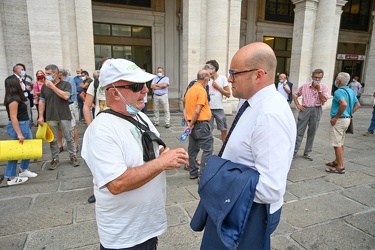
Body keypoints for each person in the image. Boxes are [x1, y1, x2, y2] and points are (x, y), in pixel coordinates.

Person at [193, 42, 296, 249]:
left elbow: (270, 189)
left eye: (234, 73)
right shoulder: (250, 102)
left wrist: (219, 180)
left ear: (258, 75)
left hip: (249, 212)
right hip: (236, 204)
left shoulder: (270, 115)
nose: (229, 79)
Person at [81, 58, 188, 249]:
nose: (146, 90)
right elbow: (117, 183)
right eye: (137, 86)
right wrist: (162, 163)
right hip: (125, 237)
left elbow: (154, 146)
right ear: (114, 93)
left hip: (148, 227)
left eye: (146, 84)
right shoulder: (101, 130)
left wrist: (167, 153)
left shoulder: (140, 115)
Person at [37, 64, 79, 170]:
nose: (46, 76)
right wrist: (41, 116)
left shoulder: (66, 84)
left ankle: (73, 156)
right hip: (50, 116)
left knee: (69, 137)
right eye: (46, 73)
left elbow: (66, 96)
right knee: (53, 140)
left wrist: (52, 87)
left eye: (49, 74)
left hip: (64, 115)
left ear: (56, 74)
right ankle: (55, 158)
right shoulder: (44, 87)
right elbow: (42, 101)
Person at [3, 75, 38, 186]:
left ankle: (23, 169)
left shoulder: (17, 97)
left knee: (28, 148)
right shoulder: (13, 99)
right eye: (19, 82)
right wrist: (19, 133)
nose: (21, 83)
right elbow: (13, 117)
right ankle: (10, 177)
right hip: (19, 125)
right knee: (15, 152)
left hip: (24, 124)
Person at [326, 72, 360, 174]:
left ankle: (340, 167)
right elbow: (357, 104)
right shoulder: (350, 91)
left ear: (338, 81)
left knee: (337, 144)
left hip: (340, 120)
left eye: (336, 79)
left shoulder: (338, 92)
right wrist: (349, 114)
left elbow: (343, 104)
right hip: (347, 119)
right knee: (340, 142)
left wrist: (336, 117)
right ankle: (337, 161)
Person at [293, 68, 329, 161]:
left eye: (319, 78)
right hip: (305, 109)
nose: (317, 80)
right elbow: (295, 94)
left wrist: (319, 90)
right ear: (312, 76)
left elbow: (324, 100)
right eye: (315, 77)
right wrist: (297, 104)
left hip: (317, 109)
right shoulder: (305, 86)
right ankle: (293, 152)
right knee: (299, 131)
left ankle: (307, 152)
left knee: (312, 132)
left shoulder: (324, 87)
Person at [184, 69, 213, 180]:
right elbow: (197, 110)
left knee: (192, 150)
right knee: (207, 149)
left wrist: (189, 123)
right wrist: (191, 124)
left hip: (192, 124)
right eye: (209, 77)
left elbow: (186, 108)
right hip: (201, 124)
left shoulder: (190, 90)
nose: (209, 79)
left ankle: (193, 172)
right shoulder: (201, 90)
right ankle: (202, 175)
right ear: (205, 79)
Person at [206, 59, 231, 143]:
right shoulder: (206, 79)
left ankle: (225, 149)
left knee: (223, 129)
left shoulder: (222, 78)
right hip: (208, 109)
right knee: (208, 131)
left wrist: (218, 87)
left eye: (209, 67)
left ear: (214, 69)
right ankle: (209, 151)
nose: (207, 69)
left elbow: (228, 94)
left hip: (219, 109)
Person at [58, 69, 79, 153]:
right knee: (59, 126)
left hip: (69, 104)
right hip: (59, 105)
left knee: (72, 125)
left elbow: (70, 94)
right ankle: (60, 145)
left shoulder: (70, 80)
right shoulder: (57, 81)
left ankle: (75, 144)